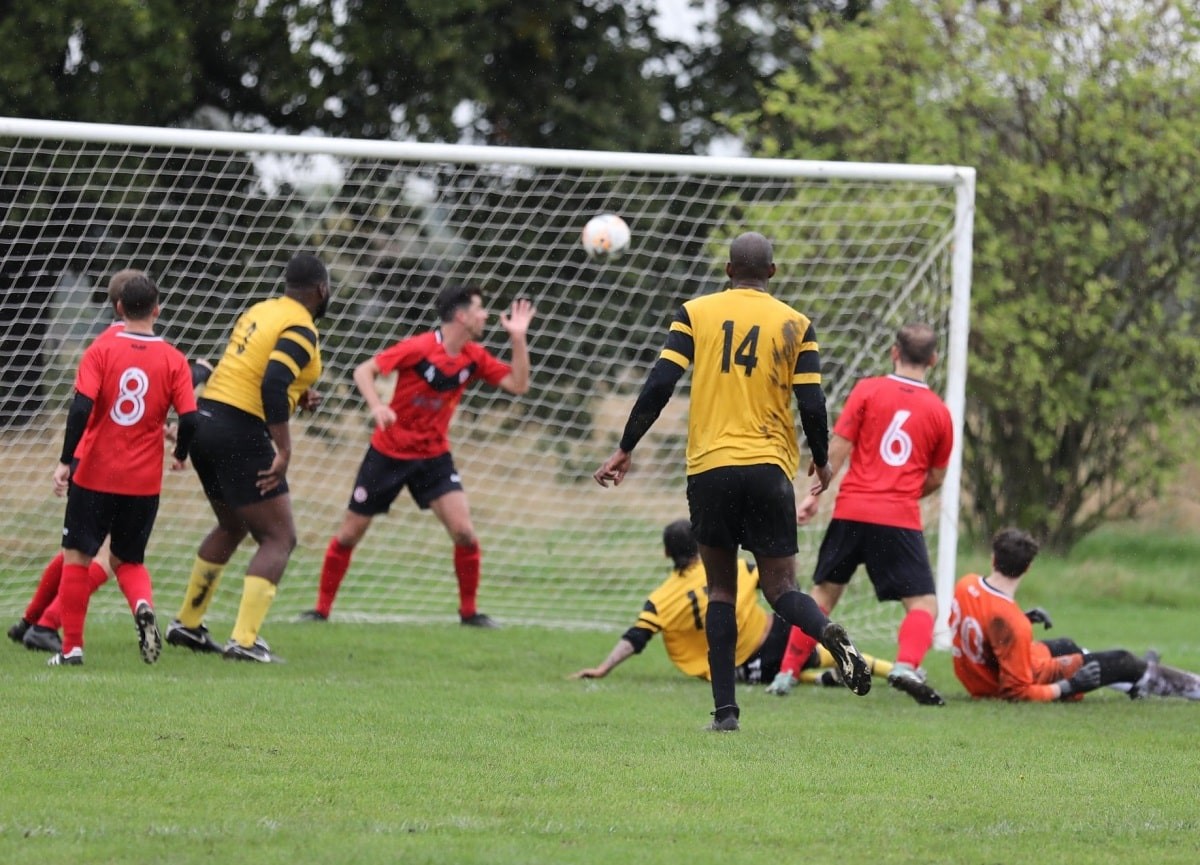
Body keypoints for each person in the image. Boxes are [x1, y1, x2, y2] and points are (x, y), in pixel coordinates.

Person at [593, 231, 873, 732]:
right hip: (769, 469)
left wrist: (626, 446)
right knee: (782, 588)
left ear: (726, 271)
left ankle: (725, 714)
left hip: (710, 468)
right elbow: (812, 401)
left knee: (721, 589)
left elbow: (660, 382)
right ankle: (826, 629)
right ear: (772, 273)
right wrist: (823, 459)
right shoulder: (796, 323)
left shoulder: (695, 313)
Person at [298, 285, 535, 628]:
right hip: (388, 453)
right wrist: (378, 406)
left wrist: (518, 337)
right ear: (461, 316)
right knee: (349, 534)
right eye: (480, 309)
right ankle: (320, 610)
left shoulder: (474, 356)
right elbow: (364, 371)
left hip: (433, 457)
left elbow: (519, 384)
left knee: (465, 533)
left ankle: (469, 614)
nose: (485, 315)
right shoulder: (419, 347)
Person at [7, 269, 215, 655]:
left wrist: (65, 460)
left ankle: (55, 635)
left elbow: (83, 405)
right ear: (157, 308)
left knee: (76, 554)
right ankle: (42, 621)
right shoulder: (170, 356)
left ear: (118, 307)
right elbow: (180, 403)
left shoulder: (101, 347)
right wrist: (181, 448)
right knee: (121, 559)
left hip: (95, 463)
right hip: (142, 478)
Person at [768, 322, 953, 706]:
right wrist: (903, 494)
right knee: (922, 605)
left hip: (852, 510)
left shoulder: (867, 390)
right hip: (899, 517)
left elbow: (838, 446)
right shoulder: (939, 412)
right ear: (934, 359)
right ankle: (905, 666)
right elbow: (936, 476)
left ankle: (786, 673)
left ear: (893, 352)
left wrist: (815, 493)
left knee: (821, 596)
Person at [165, 253, 329, 663]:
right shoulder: (301, 326)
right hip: (238, 429)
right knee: (279, 537)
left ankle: (188, 624)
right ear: (322, 290)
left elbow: (252, 370)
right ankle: (244, 641)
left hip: (205, 421)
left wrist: (298, 394)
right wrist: (285, 449)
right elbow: (273, 382)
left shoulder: (262, 310)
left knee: (232, 524)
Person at [569, 519, 893, 686]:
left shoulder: (660, 600)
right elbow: (774, 583)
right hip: (777, 636)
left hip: (744, 666)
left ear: (667, 553)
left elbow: (635, 639)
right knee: (811, 650)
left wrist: (602, 668)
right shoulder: (734, 567)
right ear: (699, 546)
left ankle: (812, 675)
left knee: (783, 670)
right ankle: (893, 671)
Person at [950, 528, 1200, 701]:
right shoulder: (1011, 622)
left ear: (993, 559)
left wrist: (1023, 619)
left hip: (977, 676)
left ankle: (1134, 683)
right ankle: (1191, 687)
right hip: (999, 684)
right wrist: (1067, 687)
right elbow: (1016, 692)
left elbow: (985, 625)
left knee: (1065, 645)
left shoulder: (966, 584)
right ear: (1028, 567)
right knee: (1121, 660)